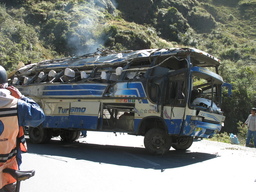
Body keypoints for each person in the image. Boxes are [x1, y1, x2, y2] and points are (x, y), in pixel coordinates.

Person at [0, 65, 45, 192]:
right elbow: (39, 117)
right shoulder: (18, 105)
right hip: (8, 172)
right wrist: (21, 97)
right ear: (5, 85)